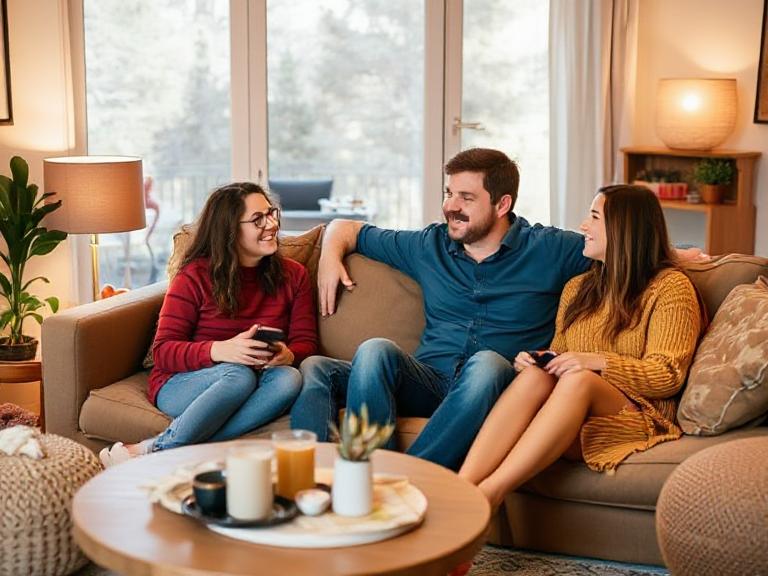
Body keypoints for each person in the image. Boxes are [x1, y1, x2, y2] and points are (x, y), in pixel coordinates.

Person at [290, 148, 591, 470]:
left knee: (487, 362)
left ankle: (415, 476)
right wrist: (328, 259)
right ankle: (353, 474)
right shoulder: (429, 245)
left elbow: (632, 250)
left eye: (466, 198)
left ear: (502, 204)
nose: (450, 206)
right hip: (429, 380)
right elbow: (345, 227)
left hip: (497, 387)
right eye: (449, 193)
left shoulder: (552, 249)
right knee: (361, 354)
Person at [458, 184, 703, 507]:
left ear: (624, 228)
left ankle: (489, 495)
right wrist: (537, 359)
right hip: (567, 414)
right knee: (537, 375)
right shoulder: (578, 288)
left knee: (580, 379)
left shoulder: (670, 288)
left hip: (638, 415)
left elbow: (667, 375)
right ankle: (461, 490)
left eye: (594, 217)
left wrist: (595, 362)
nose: (583, 227)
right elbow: (560, 351)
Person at [99, 182, 317, 467]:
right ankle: (167, 450)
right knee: (237, 376)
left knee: (290, 379)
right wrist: (220, 351)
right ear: (229, 231)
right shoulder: (194, 276)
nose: (272, 224)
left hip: (257, 375)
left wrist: (288, 355)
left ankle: (159, 448)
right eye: (257, 219)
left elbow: (306, 341)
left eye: (272, 213)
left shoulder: (293, 276)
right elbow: (164, 351)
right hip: (182, 381)